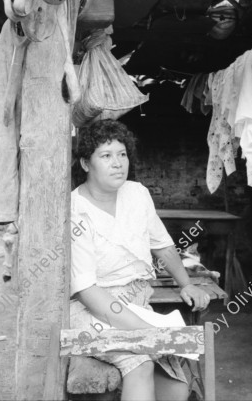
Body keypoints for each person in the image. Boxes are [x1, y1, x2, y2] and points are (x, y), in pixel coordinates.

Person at [70, 119, 210, 401]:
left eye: (122, 154)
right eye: (106, 156)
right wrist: (146, 332)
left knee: (176, 388)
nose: (118, 163)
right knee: (141, 364)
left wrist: (187, 284)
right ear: (86, 164)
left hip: (138, 302)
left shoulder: (137, 194)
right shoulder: (75, 210)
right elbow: (87, 290)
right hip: (93, 310)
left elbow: (163, 245)